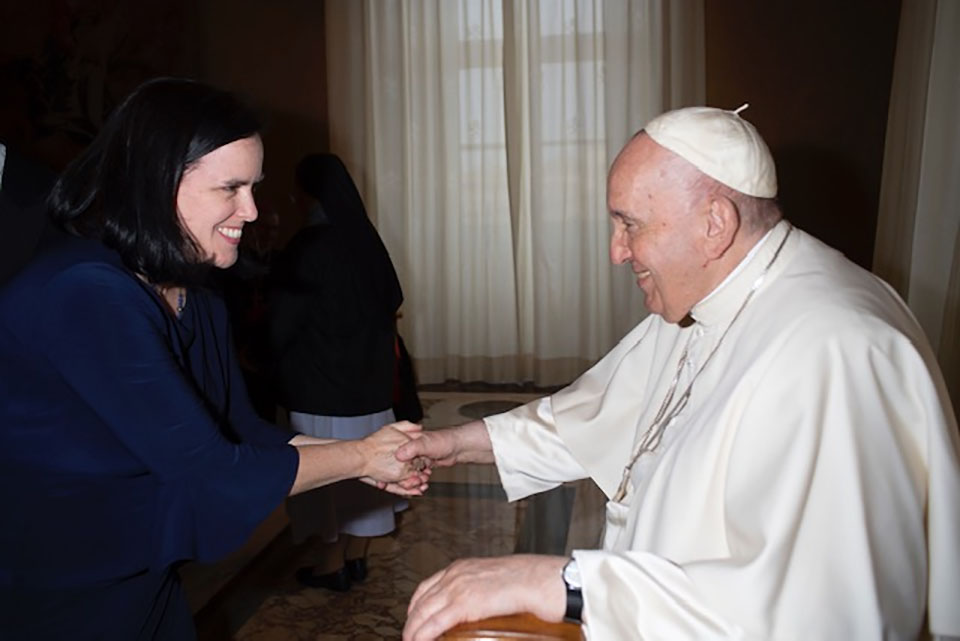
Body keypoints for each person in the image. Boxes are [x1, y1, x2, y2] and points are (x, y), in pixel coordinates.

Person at [397, 105, 960, 640]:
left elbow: (816, 610)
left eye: (630, 224)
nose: (617, 252)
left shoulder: (836, 351)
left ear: (715, 223)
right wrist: (452, 444)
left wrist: (564, 583)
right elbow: (598, 413)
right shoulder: (714, 293)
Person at [0, 77, 427, 641]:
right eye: (231, 188)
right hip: (58, 584)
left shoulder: (194, 291)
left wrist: (382, 453)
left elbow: (240, 430)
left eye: (255, 186)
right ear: (156, 183)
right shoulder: (85, 293)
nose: (251, 210)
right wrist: (361, 458)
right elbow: (210, 471)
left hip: (140, 570)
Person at [267, 153, 408, 591]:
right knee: (367, 475)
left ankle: (331, 565)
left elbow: (281, 322)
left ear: (304, 194)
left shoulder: (307, 247)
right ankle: (356, 557)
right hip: (368, 383)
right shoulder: (364, 239)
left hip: (320, 386)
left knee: (326, 480)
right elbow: (394, 296)